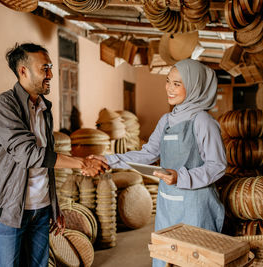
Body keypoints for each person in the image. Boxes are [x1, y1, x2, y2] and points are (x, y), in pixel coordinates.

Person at [89, 59, 226, 267]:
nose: (169, 88)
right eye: (168, 81)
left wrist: (181, 177)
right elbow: (147, 154)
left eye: (177, 84)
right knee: (165, 257)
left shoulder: (203, 122)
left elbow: (217, 166)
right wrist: (109, 159)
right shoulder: (167, 121)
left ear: (195, 85)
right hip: (167, 203)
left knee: (194, 259)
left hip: (195, 207)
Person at [0, 43, 108, 267]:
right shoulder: (2, 107)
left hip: (40, 210)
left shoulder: (43, 108)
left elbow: (46, 161)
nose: (51, 74)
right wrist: (81, 163)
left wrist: (53, 205)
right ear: (23, 71)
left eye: (50, 67)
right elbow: (28, 154)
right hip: (9, 211)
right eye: (45, 68)